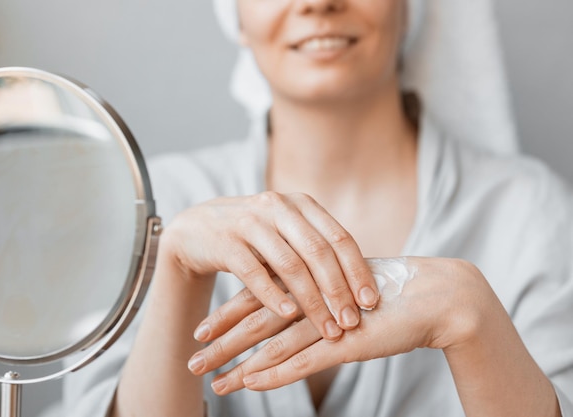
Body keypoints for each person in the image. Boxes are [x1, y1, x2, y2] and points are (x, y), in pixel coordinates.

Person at [61, 0, 573, 416]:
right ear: (236, 13)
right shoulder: (158, 203)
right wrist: (177, 271)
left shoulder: (527, 210)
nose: (318, 4)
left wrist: (472, 316)